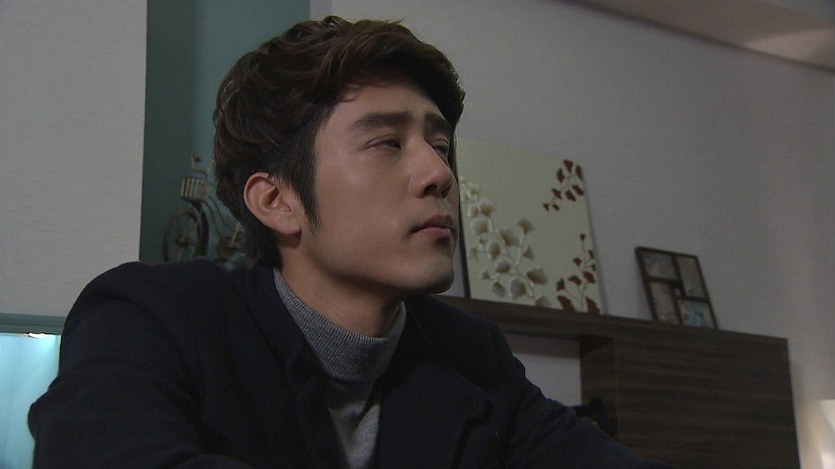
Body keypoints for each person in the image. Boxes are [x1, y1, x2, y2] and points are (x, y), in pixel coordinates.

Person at [29, 16, 672, 468]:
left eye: (440, 145)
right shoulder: (152, 316)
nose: (439, 173)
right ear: (277, 201)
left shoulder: (471, 355)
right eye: (387, 143)